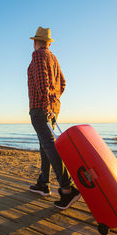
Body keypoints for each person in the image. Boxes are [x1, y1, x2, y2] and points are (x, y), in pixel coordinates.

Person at [27, 26, 81, 210]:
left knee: (49, 145)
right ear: (49, 42)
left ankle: (67, 188)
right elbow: (63, 83)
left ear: (35, 42)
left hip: (40, 108)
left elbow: (42, 83)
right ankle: (43, 183)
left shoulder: (38, 56)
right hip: (52, 108)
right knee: (45, 146)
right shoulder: (53, 57)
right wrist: (54, 101)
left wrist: (46, 104)